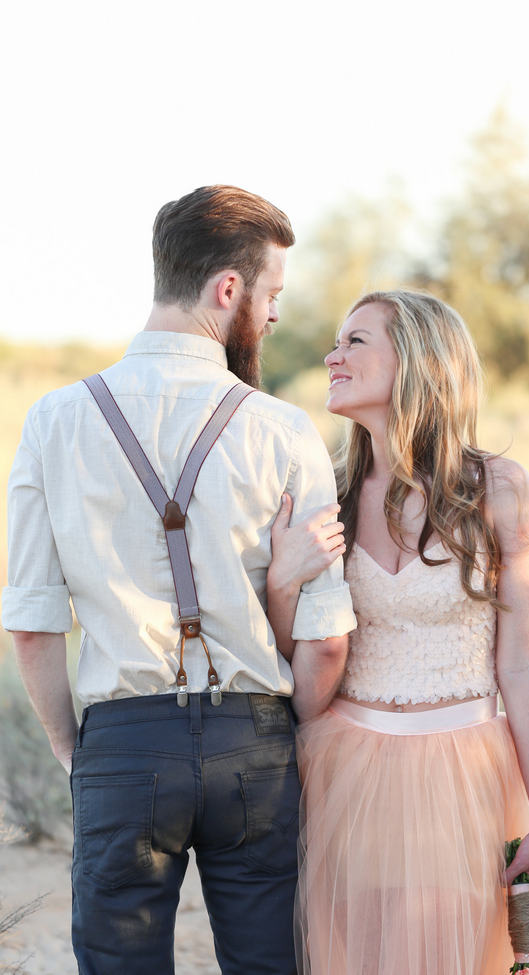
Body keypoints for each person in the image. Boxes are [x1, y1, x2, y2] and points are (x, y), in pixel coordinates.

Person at [2, 184, 356, 975]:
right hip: (256, 740)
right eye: (270, 296)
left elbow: (31, 623)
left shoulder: (54, 420)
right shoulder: (284, 430)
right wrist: (275, 728)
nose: (271, 318)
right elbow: (327, 643)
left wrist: (78, 749)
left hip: (123, 744)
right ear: (226, 289)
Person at [267, 291, 529, 974]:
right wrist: (281, 581)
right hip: (343, 770)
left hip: (465, 768)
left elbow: (522, 661)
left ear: (420, 359)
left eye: (355, 341)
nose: (332, 355)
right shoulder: (324, 492)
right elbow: (294, 655)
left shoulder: (499, 489)